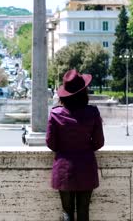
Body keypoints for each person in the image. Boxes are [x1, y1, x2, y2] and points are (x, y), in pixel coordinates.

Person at [46, 69, 105, 221]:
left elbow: (51, 143)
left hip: (63, 169)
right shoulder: (93, 112)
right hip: (86, 167)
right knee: (84, 212)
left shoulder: (55, 113)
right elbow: (99, 142)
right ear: (84, 92)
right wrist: (84, 147)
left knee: (67, 213)